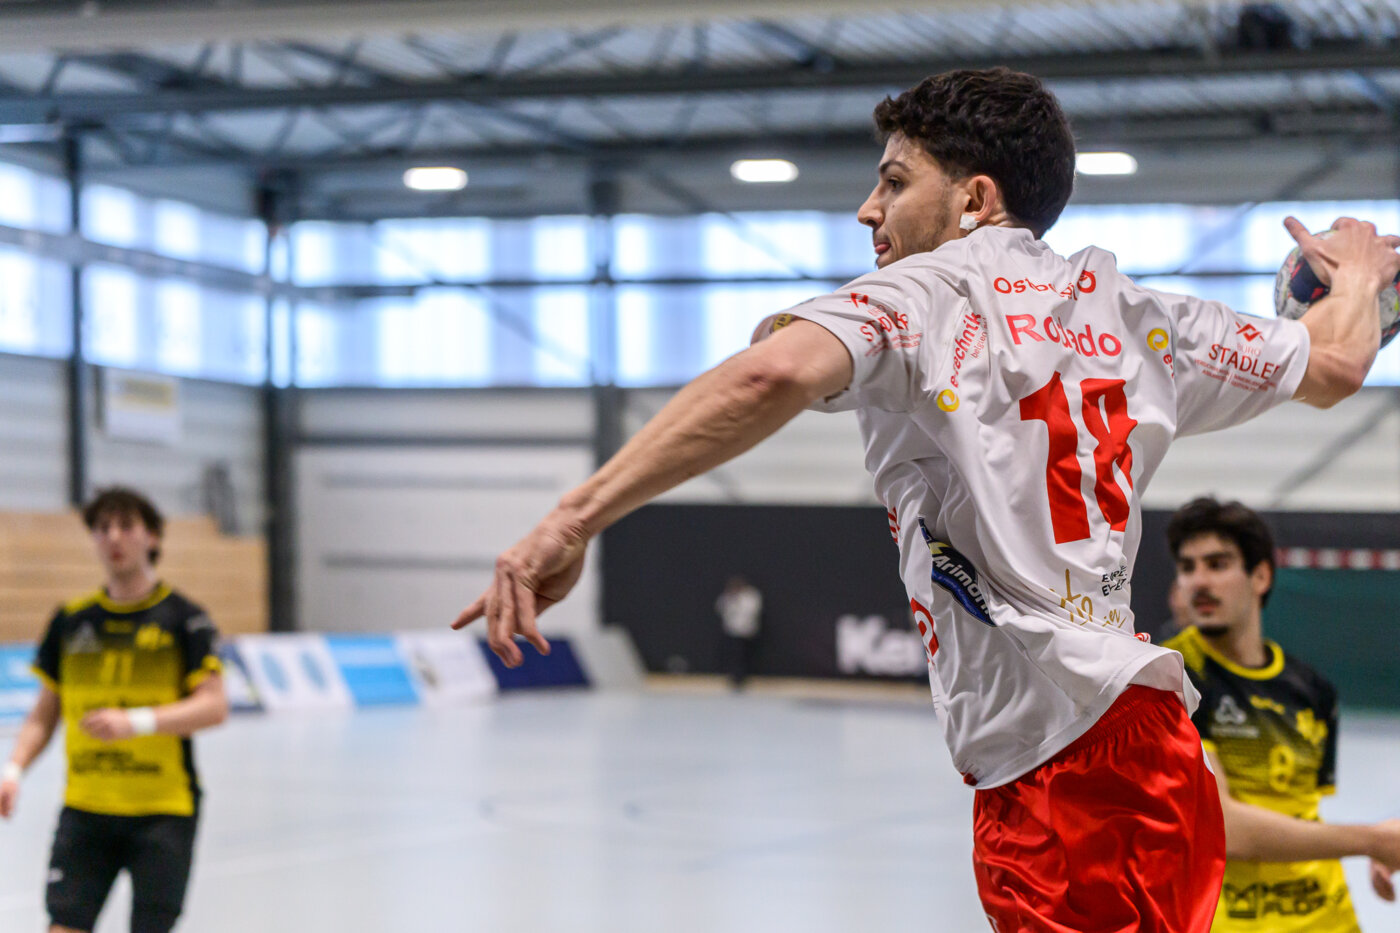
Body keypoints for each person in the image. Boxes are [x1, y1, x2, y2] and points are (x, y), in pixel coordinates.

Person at [454, 66, 1400, 931]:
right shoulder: (1140, 315)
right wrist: (1359, 275)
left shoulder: (924, 292)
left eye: (895, 181)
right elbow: (1336, 362)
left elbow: (766, 375)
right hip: (1126, 748)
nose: (868, 209)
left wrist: (573, 517)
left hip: (1067, 770)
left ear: (974, 200)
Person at [1164, 497, 1400, 931]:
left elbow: (1302, 812)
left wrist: (1381, 851)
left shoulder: (1314, 691)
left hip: (1328, 916)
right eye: (1188, 567)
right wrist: (1373, 840)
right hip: (1227, 920)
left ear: (1261, 576)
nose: (1199, 581)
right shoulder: (1170, 677)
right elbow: (1226, 829)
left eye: (1217, 564)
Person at [0, 487, 229, 933]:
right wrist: (13, 770)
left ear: (153, 537)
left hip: (163, 811)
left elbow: (214, 706)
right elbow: (44, 714)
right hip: (86, 809)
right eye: (103, 528)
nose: (114, 537)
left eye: (126, 525)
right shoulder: (71, 620)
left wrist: (137, 722)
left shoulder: (183, 619)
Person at [715, 576, 763, 688]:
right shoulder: (728, 596)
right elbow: (720, 608)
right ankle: (734, 678)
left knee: (745, 656)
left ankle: (744, 678)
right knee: (733, 656)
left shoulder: (750, 596)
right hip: (732, 632)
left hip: (746, 632)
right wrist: (731, 599)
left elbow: (751, 611)